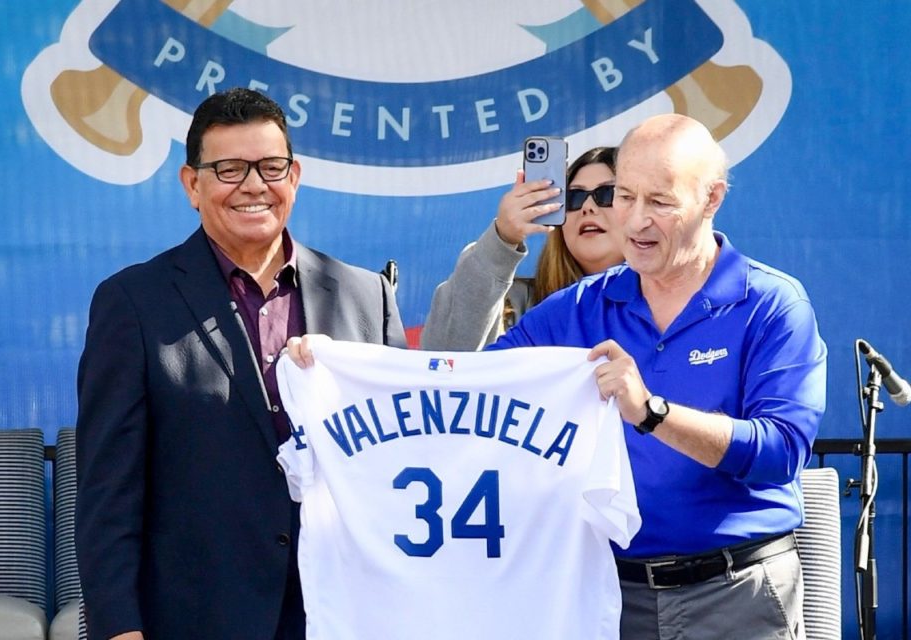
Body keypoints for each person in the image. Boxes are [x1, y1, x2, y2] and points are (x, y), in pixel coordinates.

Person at [75, 87, 406, 640]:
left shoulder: (366, 296)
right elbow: (109, 489)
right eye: (229, 169)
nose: (254, 185)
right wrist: (118, 628)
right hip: (196, 617)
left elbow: (403, 457)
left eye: (271, 166)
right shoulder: (133, 302)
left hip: (346, 612)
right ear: (192, 186)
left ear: (294, 177)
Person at [488, 114, 827, 638]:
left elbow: (780, 452)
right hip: (609, 595)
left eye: (660, 202)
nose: (636, 221)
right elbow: (474, 381)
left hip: (736, 594)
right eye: (625, 197)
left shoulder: (772, 304)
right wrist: (324, 361)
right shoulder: (578, 307)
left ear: (711, 199)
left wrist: (651, 412)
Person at [420, 146, 624, 350]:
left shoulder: (655, 309)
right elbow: (443, 358)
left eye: (607, 194)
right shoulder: (514, 305)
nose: (588, 206)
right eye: (574, 198)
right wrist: (503, 237)